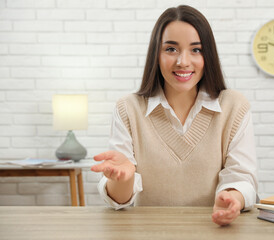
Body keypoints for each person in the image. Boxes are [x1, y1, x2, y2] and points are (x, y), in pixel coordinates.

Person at [91, 5, 258, 226]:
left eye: (196, 50)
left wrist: (232, 198)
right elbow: (119, 200)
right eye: (171, 49)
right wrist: (124, 178)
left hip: (214, 230)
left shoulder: (234, 106)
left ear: (208, 55)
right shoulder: (128, 108)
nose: (183, 61)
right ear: (156, 55)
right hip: (148, 233)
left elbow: (241, 176)